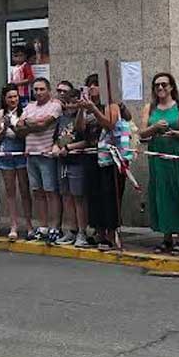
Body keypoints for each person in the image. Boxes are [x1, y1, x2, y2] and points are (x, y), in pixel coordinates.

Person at [140, 73, 179, 254]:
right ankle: (166, 237)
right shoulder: (150, 107)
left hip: (177, 153)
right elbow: (141, 133)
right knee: (161, 193)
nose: (161, 88)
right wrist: (155, 128)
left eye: (164, 85)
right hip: (158, 155)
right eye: (157, 86)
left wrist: (175, 133)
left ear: (172, 87)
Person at [77, 74, 124, 250]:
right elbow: (80, 129)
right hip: (91, 154)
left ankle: (111, 235)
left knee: (108, 195)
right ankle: (99, 232)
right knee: (94, 194)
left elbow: (109, 125)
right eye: (89, 85)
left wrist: (94, 109)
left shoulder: (111, 105)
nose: (92, 88)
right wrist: (82, 109)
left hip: (108, 156)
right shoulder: (87, 107)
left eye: (96, 85)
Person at [19, 77, 62, 243]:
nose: (38, 92)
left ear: (48, 90)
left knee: (51, 192)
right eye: (35, 89)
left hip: (46, 154)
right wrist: (31, 124)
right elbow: (19, 127)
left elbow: (44, 124)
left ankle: (54, 226)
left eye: (42, 89)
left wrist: (29, 123)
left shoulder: (55, 105)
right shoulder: (29, 106)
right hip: (31, 154)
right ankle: (43, 226)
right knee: (37, 192)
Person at [0, 84, 31, 241]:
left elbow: (24, 134)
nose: (13, 99)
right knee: (10, 191)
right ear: (4, 99)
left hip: (20, 150)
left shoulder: (24, 112)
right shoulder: (0, 114)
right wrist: (4, 127)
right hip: (5, 151)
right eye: (10, 97)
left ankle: (29, 224)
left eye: (15, 96)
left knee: (24, 190)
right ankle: (13, 224)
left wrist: (13, 127)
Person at [53, 81, 89, 246]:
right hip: (62, 162)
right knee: (66, 196)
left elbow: (86, 141)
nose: (70, 106)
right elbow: (56, 138)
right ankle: (71, 230)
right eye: (68, 102)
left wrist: (69, 147)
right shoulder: (61, 119)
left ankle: (82, 231)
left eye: (74, 102)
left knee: (78, 197)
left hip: (77, 161)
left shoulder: (82, 118)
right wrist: (55, 147)